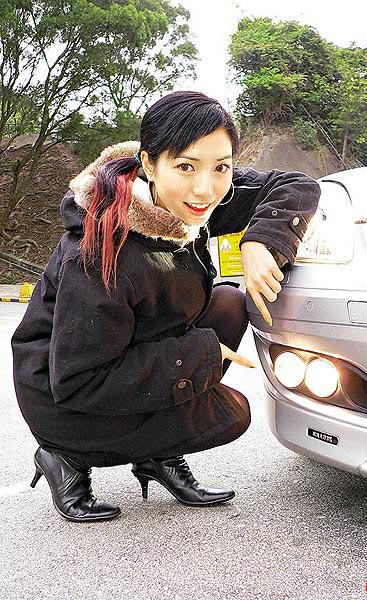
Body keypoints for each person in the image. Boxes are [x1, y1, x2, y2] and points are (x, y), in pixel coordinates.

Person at [11, 90, 320, 523]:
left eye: (221, 167)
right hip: (63, 396)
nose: (205, 188)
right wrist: (197, 356)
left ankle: (156, 455)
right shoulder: (99, 252)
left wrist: (261, 239)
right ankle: (65, 456)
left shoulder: (189, 201)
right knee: (230, 414)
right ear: (150, 163)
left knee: (229, 303)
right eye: (186, 166)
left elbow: (297, 185)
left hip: (131, 349)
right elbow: (79, 380)